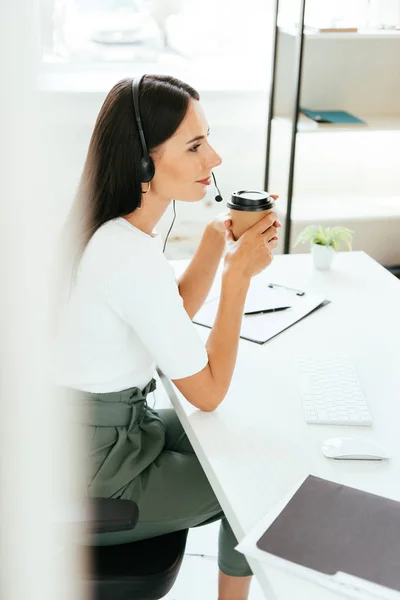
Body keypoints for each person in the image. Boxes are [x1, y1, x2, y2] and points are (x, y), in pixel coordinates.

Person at [54, 74, 280, 600]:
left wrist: (213, 243)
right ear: (142, 160)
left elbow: (164, 311)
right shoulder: (127, 255)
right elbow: (207, 391)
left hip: (101, 434)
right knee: (255, 483)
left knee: (242, 445)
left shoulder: (110, 231)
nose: (215, 159)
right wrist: (237, 281)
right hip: (102, 469)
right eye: (196, 146)